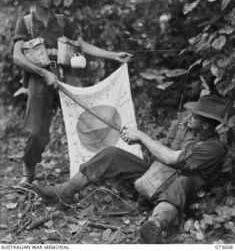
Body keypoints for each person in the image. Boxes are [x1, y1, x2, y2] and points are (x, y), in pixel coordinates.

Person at [32, 94, 229, 243]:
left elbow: (172, 158)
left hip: (182, 192)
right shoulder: (188, 129)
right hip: (158, 177)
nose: (190, 116)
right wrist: (166, 135)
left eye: (195, 115)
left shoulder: (213, 147)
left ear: (205, 124)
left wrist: (141, 136)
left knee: (183, 181)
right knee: (112, 154)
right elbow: (160, 154)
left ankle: (155, 225)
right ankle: (65, 192)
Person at [13, 0, 132, 187]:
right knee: (36, 131)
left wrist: (114, 55)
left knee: (87, 120)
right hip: (39, 80)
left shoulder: (63, 21)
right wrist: (43, 73)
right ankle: (28, 173)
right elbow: (17, 56)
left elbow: (82, 46)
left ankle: (95, 170)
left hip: (66, 77)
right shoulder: (25, 23)